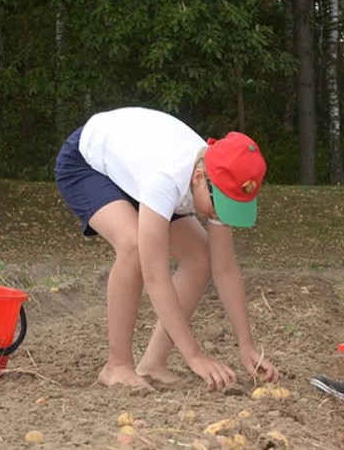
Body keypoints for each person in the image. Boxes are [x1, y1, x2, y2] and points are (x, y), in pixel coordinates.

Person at [54, 106, 279, 391]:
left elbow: (224, 268)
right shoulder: (166, 179)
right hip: (88, 164)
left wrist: (246, 346)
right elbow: (156, 278)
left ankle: (152, 364)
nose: (221, 215)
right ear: (200, 179)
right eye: (220, 206)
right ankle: (117, 365)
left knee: (200, 258)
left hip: (138, 168)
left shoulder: (217, 179)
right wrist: (194, 355)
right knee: (134, 246)